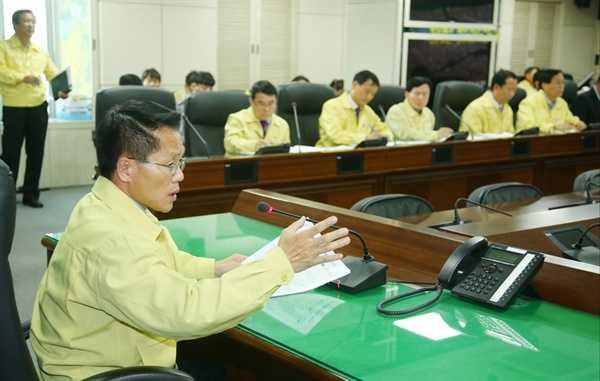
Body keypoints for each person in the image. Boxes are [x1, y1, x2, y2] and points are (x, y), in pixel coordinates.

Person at [30, 100, 350, 380]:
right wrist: (281, 263)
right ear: (126, 168)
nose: (180, 175)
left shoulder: (106, 203)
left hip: (116, 358)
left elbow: (151, 262)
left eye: (181, 162)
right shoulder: (113, 238)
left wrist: (215, 268)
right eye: (171, 164)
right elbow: (187, 312)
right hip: (104, 373)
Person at [0, 9, 68, 208]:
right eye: (25, 21)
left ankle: (31, 194)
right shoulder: (3, 47)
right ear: (15, 24)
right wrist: (22, 77)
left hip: (38, 106)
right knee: (11, 153)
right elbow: (1, 71)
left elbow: (53, 74)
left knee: (36, 151)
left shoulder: (41, 51)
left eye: (33, 21)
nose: (30, 24)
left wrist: (62, 90)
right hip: (14, 106)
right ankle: (6, 194)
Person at [316, 70, 392, 147]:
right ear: (355, 85)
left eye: (373, 94)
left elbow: (385, 130)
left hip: (359, 154)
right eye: (367, 92)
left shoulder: (368, 111)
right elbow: (335, 134)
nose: (369, 97)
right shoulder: (332, 106)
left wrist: (384, 136)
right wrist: (365, 138)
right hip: (330, 155)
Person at [224, 80, 290, 155]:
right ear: (251, 101)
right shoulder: (237, 119)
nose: (266, 109)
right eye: (262, 104)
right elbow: (230, 143)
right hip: (244, 164)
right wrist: (254, 145)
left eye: (271, 104)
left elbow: (286, 152)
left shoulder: (282, 124)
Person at [516, 69, 586, 133]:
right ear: (544, 85)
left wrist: (577, 123)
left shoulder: (562, 102)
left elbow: (570, 119)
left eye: (563, 83)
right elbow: (527, 126)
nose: (562, 86)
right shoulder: (528, 102)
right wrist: (554, 127)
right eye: (557, 83)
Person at [385, 76, 453, 141]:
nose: (421, 98)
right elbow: (405, 134)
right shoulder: (396, 111)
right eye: (417, 93)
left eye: (425, 94)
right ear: (407, 94)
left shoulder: (429, 113)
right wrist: (435, 135)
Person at [459, 70, 518, 135]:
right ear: (496, 87)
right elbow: (470, 138)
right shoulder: (476, 108)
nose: (512, 94)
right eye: (509, 90)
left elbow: (510, 134)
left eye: (514, 90)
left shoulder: (507, 109)